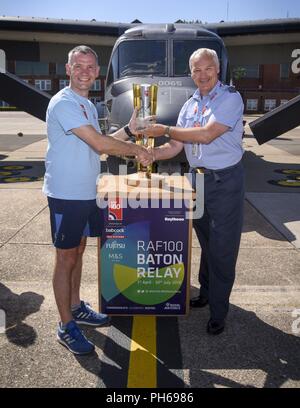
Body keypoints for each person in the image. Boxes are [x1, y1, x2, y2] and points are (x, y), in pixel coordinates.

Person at [43, 45, 151, 355]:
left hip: (88, 191)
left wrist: (130, 131)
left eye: (91, 67)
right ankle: (65, 326)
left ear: (97, 72)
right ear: (68, 69)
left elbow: (102, 147)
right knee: (65, 258)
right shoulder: (63, 102)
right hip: (65, 195)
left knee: (78, 250)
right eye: (79, 65)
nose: (85, 71)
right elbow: (97, 141)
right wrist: (136, 150)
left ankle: (76, 307)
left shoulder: (88, 106)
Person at [143, 48, 245, 335]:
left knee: (223, 249)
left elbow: (206, 134)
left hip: (225, 181)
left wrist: (164, 128)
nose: (202, 75)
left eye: (207, 68)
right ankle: (207, 292)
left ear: (218, 69)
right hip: (196, 181)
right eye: (196, 70)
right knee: (206, 241)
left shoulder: (230, 98)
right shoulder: (190, 105)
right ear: (191, 74)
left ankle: (219, 312)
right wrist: (148, 154)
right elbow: (176, 147)